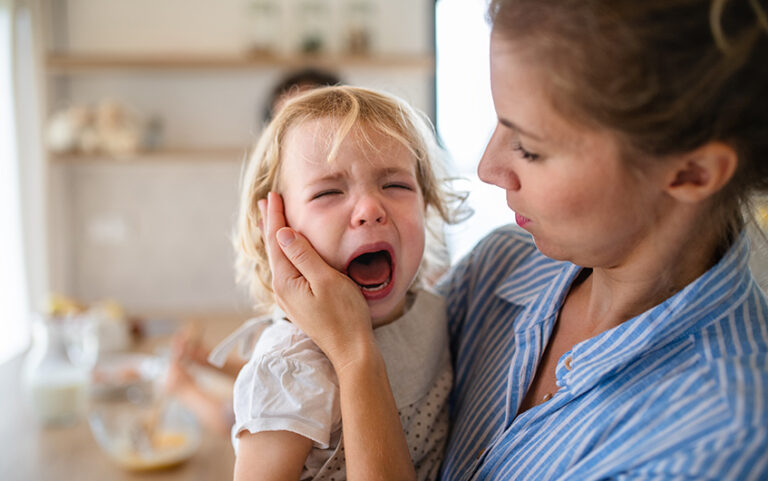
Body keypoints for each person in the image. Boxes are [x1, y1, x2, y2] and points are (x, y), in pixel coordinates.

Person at [258, 0, 768, 479]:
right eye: (499, 123)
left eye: (529, 147)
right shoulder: (501, 264)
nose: (488, 167)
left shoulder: (717, 442)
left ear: (693, 172)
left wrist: (353, 352)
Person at [216, 85, 462, 480]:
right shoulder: (292, 367)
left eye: (395, 185)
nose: (369, 209)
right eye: (329, 192)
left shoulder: (435, 310)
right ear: (275, 228)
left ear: (427, 203)